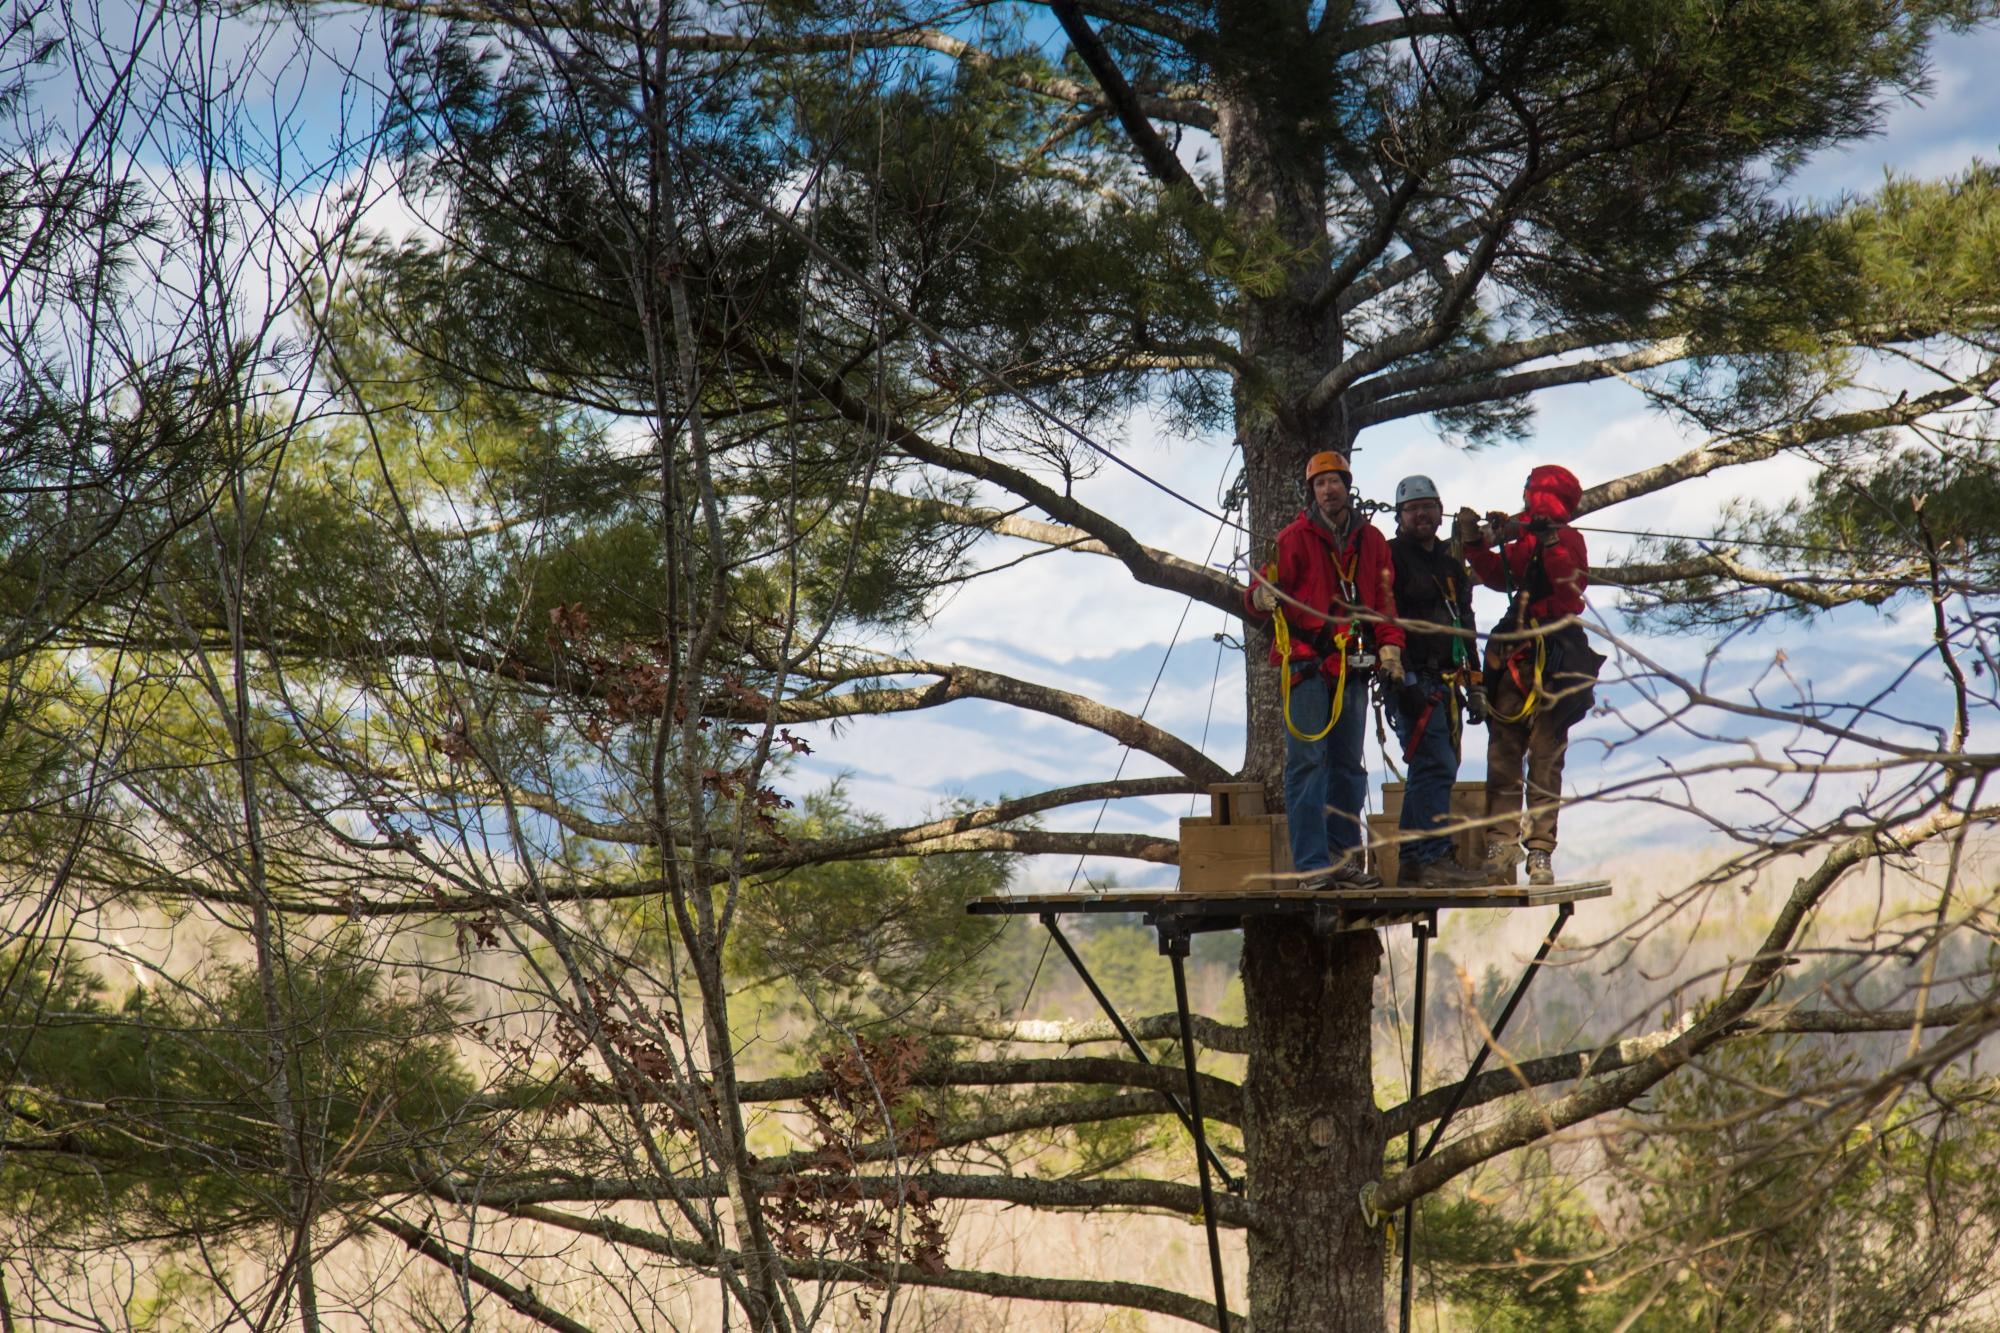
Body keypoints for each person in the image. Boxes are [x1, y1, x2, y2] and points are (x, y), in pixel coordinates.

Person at [1247, 451, 1405, 888]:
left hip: (1353, 666)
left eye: (1335, 481)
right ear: (1311, 491)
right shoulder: (1294, 538)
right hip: (1309, 666)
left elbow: (1385, 603)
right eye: (1320, 483)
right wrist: (1259, 599)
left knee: (1348, 768)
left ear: (1347, 485)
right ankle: (1314, 865)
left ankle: (1340, 858)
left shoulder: (1371, 541)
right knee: (1307, 765)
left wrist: (1390, 649)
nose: (1328, 489)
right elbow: (1261, 589)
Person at [1457, 464, 1600, 887]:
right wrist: (1475, 543)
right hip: (1519, 654)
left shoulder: (1568, 541)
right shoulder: (1528, 537)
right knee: (1505, 751)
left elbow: (1569, 589)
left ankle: (1537, 849)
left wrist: (1549, 541)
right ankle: (1504, 845)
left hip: (1553, 656)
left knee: (1543, 755)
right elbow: (1497, 575)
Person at [1383, 475, 1487, 887]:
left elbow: (1465, 621)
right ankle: (1427, 856)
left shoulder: (1449, 564)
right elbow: (1384, 615)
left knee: (1437, 767)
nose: (1422, 514)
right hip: (1414, 679)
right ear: (1400, 516)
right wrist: (1402, 678)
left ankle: (1417, 860)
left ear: (1440, 511)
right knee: (1434, 765)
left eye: (1429, 506)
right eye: (1413, 508)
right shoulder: (1392, 558)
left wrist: (1475, 682)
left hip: (1446, 680)